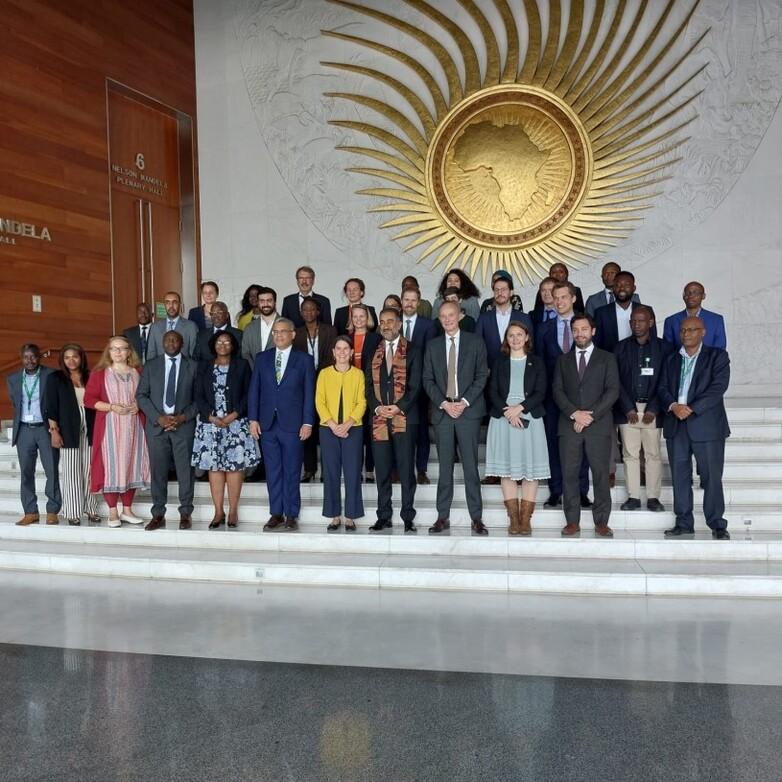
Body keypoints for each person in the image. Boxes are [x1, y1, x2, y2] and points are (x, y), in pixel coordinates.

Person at [658, 316, 731, 539]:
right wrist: (673, 406)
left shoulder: (717, 356)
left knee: (710, 476)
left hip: (706, 425)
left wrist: (690, 408)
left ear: (703, 332)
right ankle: (683, 522)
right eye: (683, 330)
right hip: (676, 425)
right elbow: (661, 387)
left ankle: (717, 524)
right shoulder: (671, 359)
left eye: (692, 330)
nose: (686, 334)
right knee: (680, 477)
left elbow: (718, 387)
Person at [423, 301, 489, 536]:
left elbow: (482, 375)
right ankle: (443, 516)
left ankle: (477, 518)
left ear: (460, 316)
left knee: (471, 467)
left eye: (451, 315)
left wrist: (464, 402)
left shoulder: (475, 342)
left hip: (468, 412)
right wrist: (444, 403)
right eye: (443, 316)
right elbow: (427, 380)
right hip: (443, 413)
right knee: (444, 469)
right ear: (439, 319)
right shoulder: (432, 346)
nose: (447, 319)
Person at [552, 314, 620, 537]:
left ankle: (601, 521)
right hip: (569, 425)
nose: (579, 333)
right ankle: (572, 521)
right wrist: (574, 414)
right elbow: (557, 391)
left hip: (598, 425)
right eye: (576, 330)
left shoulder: (607, 358)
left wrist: (590, 416)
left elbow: (612, 390)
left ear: (593, 331)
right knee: (569, 474)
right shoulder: (563, 360)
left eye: (584, 329)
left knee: (600, 474)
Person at [248, 318, 315, 531]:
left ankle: (291, 514)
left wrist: (307, 422)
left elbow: (308, 394)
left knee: (292, 470)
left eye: (283, 332)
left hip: (293, 424)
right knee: (273, 471)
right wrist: (253, 419)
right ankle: (276, 512)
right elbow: (254, 391)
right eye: (275, 332)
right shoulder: (262, 358)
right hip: (267, 424)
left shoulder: (304, 360)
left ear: (293, 334)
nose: (278, 335)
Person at [485, 322, 549, 535]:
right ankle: (513, 518)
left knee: (530, 472)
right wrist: (508, 412)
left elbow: (541, 391)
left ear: (527, 337)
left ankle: (525, 519)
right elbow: (492, 390)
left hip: (529, 416)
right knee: (508, 471)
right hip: (504, 419)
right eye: (511, 335)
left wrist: (520, 408)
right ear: (506, 339)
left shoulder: (537, 362)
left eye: (519, 334)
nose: (515, 339)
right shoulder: (499, 362)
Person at [192, 331, 259, 529]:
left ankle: (233, 510)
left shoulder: (242, 365)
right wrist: (210, 416)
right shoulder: (204, 366)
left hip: (235, 424)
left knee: (234, 467)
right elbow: (198, 394)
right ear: (214, 345)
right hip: (210, 424)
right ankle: (218, 511)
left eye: (227, 342)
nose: (222, 345)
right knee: (215, 467)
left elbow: (249, 393)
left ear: (233, 345)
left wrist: (234, 414)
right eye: (219, 342)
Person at [366, 307, 422, 533]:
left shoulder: (414, 350)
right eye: (382, 322)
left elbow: (416, 386)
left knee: (407, 470)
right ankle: (384, 515)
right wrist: (378, 407)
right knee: (382, 470)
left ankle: (408, 516)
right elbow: (368, 386)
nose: (386, 325)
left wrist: (397, 407)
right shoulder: (374, 350)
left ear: (399, 324)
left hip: (404, 418)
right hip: (380, 419)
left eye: (390, 321)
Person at [535, 281, 590, 507]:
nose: (558, 301)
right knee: (553, 444)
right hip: (551, 399)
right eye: (555, 297)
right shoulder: (544, 328)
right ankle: (556, 490)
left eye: (563, 297)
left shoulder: (586, 325)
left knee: (582, 444)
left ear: (573, 298)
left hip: (583, 398)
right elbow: (538, 363)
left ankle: (581, 491)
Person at [85, 336, 150, 527]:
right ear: (109, 352)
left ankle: (127, 510)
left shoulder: (139, 372)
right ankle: (113, 512)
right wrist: (112, 406)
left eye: (122, 348)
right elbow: (89, 400)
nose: (118, 352)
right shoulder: (100, 374)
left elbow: (147, 395)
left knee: (131, 464)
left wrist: (138, 405)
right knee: (112, 468)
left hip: (134, 426)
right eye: (114, 349)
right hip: (110, 427)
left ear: (129, 351)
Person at [137, 330, 199, 531]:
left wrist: (182, 417)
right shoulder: (151, 365)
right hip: (157, 427)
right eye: (167, 340)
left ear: (182, 344)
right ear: (162, 343)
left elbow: (199, 399)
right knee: (158, 472)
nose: (171, 343)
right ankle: (158, 514)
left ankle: (185, 513)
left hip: (183, 426)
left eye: (175, 340)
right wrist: (159, 418)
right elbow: (141, 396)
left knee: (185, 472)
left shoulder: (194, 366)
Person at [614, 306, 673, 512]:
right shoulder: (620, 348)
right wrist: (628, 407)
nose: (636, 324)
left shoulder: (665, 348)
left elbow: (666, 381)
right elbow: (616, 381)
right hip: (627, 409)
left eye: (640, 320)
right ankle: (633, 497)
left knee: (652, 454)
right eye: (633, 321)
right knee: (630, 454)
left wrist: (654, 408)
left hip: (652, 410)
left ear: (651, 322)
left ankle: (653, 497)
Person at [316, 336, 367, 532]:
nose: (342, 352)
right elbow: (319, 401)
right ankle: (334, 515)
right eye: (339, 348)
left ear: (352, 352)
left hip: (352, 429)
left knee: (353, 472)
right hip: (328, 429)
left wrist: (347, 424)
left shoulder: (358, 374)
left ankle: (351, 516)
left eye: (346, 349)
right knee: (330, 472)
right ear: (334, 352)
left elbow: (361, 402)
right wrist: (332, 424)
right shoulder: (324, 374)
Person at [7, 344, 61, 526]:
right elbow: (16, 403)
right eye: (26, 357)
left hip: (45, 429)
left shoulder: (51, 375)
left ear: (39, 357)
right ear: (21, 358)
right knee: (26, 473)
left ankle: (52, 511)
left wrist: (55, 428)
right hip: (24, 430)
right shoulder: (13, 379)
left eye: (33, 357)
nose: (30, 361)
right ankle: (30, 512)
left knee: (51, 470)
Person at [45, 344, 99, 525]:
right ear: (63, 360)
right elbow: (51, 407)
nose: (71, 360)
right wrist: (54, 431)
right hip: (68, 428)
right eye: (67, 357)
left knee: (90, 471)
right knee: (71, 472)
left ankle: (91, 508)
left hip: (90, 426)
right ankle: (73, 512)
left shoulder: (90, 376)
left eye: (74, 356)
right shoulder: (56, 378)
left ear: (81, 358)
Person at [294, 297, 337, 481]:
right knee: (307, 426)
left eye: (312, 310)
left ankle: (327, 470)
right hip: (304, 387)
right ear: (301, 313)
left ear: (318, 312)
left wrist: (318, 375)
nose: (309, 313)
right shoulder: (297, 333)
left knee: (326, 428)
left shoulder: (330, 330)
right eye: (305, 310)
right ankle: (309, 469)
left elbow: (332, 357)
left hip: (327, 383)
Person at [401, 287, 436, 483]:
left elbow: (429, 356)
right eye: (406, 299)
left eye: (413, 300)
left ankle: (421, 469)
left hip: (420, 385)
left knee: (421, 428)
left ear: (419, 302)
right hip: (396, 385)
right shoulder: (394, 323)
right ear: (401, 300)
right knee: (397, 429)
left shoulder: (428, 325)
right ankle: (398, 468)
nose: (409, 303)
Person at [475, 275, 534, 369]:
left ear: (511, 292)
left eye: (503, 289)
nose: (500, 293)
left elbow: (530, 346)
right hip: (491, 372)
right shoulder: (483, 318)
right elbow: (477, 347)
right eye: (496, 290)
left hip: (519, 369)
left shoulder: (524, 318)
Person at [351, 304, 382, 482]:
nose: (359, 319)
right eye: (355, 316)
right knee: (356, 431)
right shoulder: (346, 338)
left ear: (368, 318)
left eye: (362, 316)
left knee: (370, 431)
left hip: (370, 390)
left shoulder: (376, 338)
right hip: (351, 392)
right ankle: (356, 468)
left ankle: (369, 469)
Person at [593, 271, 649, 353]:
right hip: (611, 361)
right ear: (613, 288)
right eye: (618, 285)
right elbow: (596, 342)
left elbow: (652, 340)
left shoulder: (646, 311)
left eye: (626, 285)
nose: (622, 288)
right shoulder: (601, 313)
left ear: (634, 288)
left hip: (639, 359)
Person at [663, 281, 727, 350]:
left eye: (695, 293)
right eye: (688, 293)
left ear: (703, 296)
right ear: (683, 296)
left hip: (709, 360)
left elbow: (720, 349)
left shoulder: (716, 320)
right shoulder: (671, 321)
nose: (691, 296)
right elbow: (667, 350)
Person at [146, 291, 198, 360]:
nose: (171, 306)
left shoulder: (191, 326)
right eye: (167, 302)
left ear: (180, 305)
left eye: (175, 302)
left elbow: (194, 355)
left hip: (183, 369)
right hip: (160, 369)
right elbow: (150, 355)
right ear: (164, 305)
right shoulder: (155, 327)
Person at [241, 287, 280, 368]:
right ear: (258, 303)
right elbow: (245, 353)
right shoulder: (249, 328)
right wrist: (256, 371)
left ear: (275, 302)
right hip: (255, 376)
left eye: (269, 300)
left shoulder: (287, 324)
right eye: (262, 301)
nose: (265, 304)